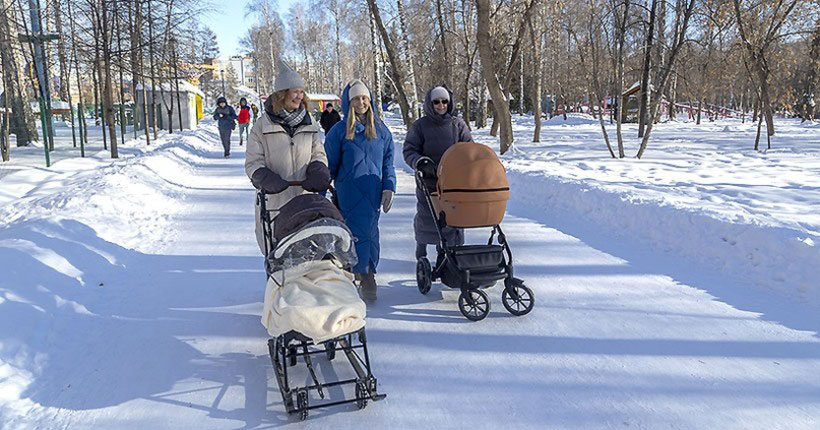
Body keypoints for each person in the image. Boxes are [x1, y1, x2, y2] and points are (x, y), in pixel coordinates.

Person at [245, 60, 330, 254]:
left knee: (310, 256)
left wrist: (318, 169)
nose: (299, 96)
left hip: (305, 200)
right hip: (274, 202)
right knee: (278, 255)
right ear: (282, 93)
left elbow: (318, 153)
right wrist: (265, 178)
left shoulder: (310, 123)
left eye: (301, 91)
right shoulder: (262, 126)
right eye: (295, 91)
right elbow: (252, 162)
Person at [325, 80, 396, 303]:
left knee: (370, 233)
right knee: (350, 233)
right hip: (348, 192)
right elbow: (329, 164)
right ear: (349, 102)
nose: (361, 102)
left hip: (373, 190)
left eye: (364, 97)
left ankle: (368, 275)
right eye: (356, 98)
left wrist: (389, 187)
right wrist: (322, 190)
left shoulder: (381, 131)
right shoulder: (339, 131)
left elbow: (388, 163)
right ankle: (352, 273)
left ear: (370, 100)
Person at [402, 85, 473, 269]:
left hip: (453, 180)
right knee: (428, 215)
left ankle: (448, 251)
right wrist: (420, 162)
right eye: (436, 102)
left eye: (444, 101)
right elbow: (409, 149)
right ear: (430, 103)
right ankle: (422, 244)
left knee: (453, 217)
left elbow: (468, 148)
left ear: (449, 103)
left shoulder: (458, 125)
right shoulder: (420, 126)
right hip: (429, 179)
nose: (440, 105)